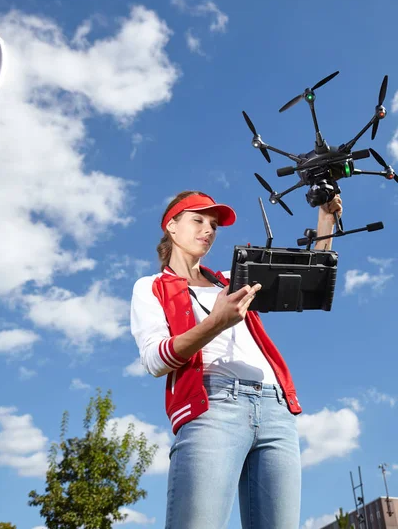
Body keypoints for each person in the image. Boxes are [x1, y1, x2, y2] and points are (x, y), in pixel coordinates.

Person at [130, 190, 342, 529]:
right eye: (198, 220)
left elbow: (309, 281)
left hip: (276, 409)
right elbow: (156, 360)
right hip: (212, 406)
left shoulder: (230, 280)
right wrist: (215, 322)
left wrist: (325, 221)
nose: (208, 230)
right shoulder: (151, 287)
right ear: (171, 226)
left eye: (213, 225)